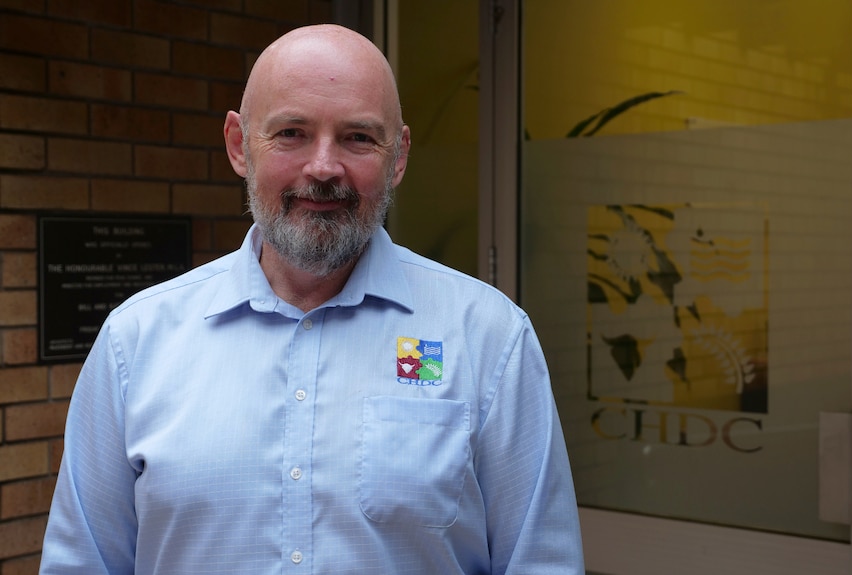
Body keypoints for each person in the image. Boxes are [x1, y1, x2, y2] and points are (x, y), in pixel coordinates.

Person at [39, 24, 584, 574]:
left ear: (397, 158)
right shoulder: (135, 343)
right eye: (292, 133)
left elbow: (542, 562)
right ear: (238, 145)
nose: (323, 167)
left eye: (358, 137)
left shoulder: (490, 338)